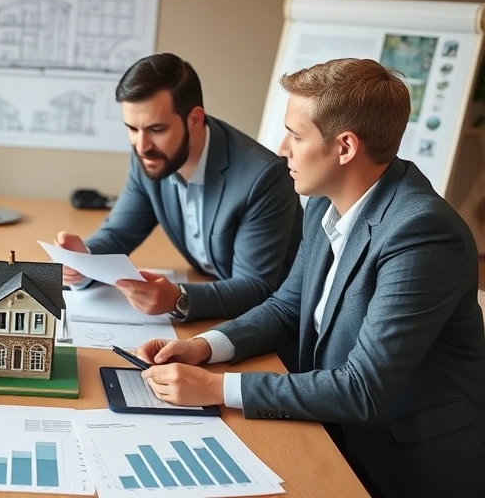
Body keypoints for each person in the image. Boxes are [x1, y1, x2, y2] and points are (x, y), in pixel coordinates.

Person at [136, 58, 485, 498]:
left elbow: (363, 388)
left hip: (408, 464)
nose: (282, 148)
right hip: (332, 431)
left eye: (296, 136)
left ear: (345, 147)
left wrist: (216, 387)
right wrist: (204, 346)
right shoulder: (323, 202)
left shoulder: (422, 233)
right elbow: (287, 306)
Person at [57, 53, 302, 322]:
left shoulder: (263, 178)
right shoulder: (149, 156)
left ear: (195, 119)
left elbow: (255, 287)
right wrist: (84, 262)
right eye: (132, 129)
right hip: (214, 297)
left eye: (157, 129)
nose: (141, 146)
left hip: (272, 321)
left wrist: (179, 298)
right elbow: (119, 233)